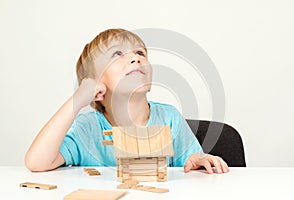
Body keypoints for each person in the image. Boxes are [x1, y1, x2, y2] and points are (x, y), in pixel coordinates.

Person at [25, 28, 229, 174]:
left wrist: (197, 160)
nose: (136, 58)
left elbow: (191, 161)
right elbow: (36, 162)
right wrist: (77, 100)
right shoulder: (86, 129)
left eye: (140, 53)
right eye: (117, 54)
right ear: (95, 83)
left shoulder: (169, 118)